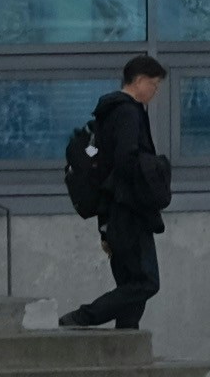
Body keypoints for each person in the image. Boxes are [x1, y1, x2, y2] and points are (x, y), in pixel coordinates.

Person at [55, 51, 174, 329]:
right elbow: (125, 160)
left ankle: (126, 344)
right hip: (128, 211)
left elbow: (100, 158)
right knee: (146, 282)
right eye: (154, 85)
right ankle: (82, 317)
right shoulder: (129, 112)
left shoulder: (106, 113)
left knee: (130, 285)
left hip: (110, 211)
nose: (155, 92)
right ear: (140, 80)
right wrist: (154, 173)